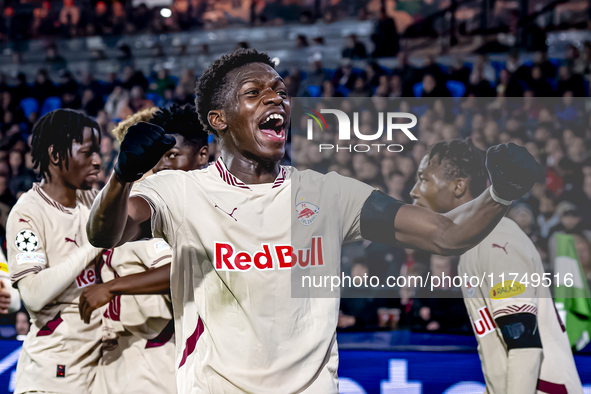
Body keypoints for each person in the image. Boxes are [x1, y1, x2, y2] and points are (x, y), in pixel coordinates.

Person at [86, 48, 542, 393]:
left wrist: (498, 193)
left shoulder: (329, 194)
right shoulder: (179, 191)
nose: (276, 99)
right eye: (255, 92)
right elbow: (106, 233)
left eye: (280, 91)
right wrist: (121, 178)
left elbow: (447, 235)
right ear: (218, 119)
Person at [410, 139, 583, 393]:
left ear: (458, 186)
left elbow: (525, 348)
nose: (414, 190)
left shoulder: (496, 240)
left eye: (423, 179)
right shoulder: (472, 244)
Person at [82, 105, 209, 394]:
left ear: (203, 154)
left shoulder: (212, 202)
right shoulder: (146, 199)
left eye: (172, 155)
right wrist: (123, 175)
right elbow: (105, 233)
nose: (162, 164)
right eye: (157, 157)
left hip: (164, 353)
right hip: (121, 355)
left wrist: (114, 287)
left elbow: (185, 268)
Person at [6, 109, 104, 394]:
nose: (97, 161)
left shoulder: (89, 199)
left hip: (96, 368)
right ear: (56, 154)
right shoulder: (27, 213)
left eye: (97, 152)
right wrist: (94, 244)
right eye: (87, 153)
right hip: (52, 373)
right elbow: (33, 295)